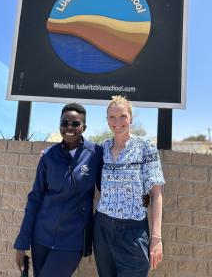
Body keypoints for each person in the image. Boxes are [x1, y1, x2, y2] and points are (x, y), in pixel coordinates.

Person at [14, 103, 103, 277]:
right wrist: (22, 242)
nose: (69, 127)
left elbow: (107, 190)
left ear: (84, 127)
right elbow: (35, 198)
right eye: (65, 123)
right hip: (41, 237)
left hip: (72, 240)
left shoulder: (96, 154)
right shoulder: (48, 155)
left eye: (75, 124)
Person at [93, 95, 165, 277]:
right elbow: (80, 155)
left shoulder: (145, 147)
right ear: (107, 120)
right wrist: (48, 153)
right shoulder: (104, 147)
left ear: (131, 118)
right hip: (102, 228)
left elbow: (157, 194)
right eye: (112, 117)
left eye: (122, 116)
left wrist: (156, 239)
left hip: (133, 231)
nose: (117, 122)